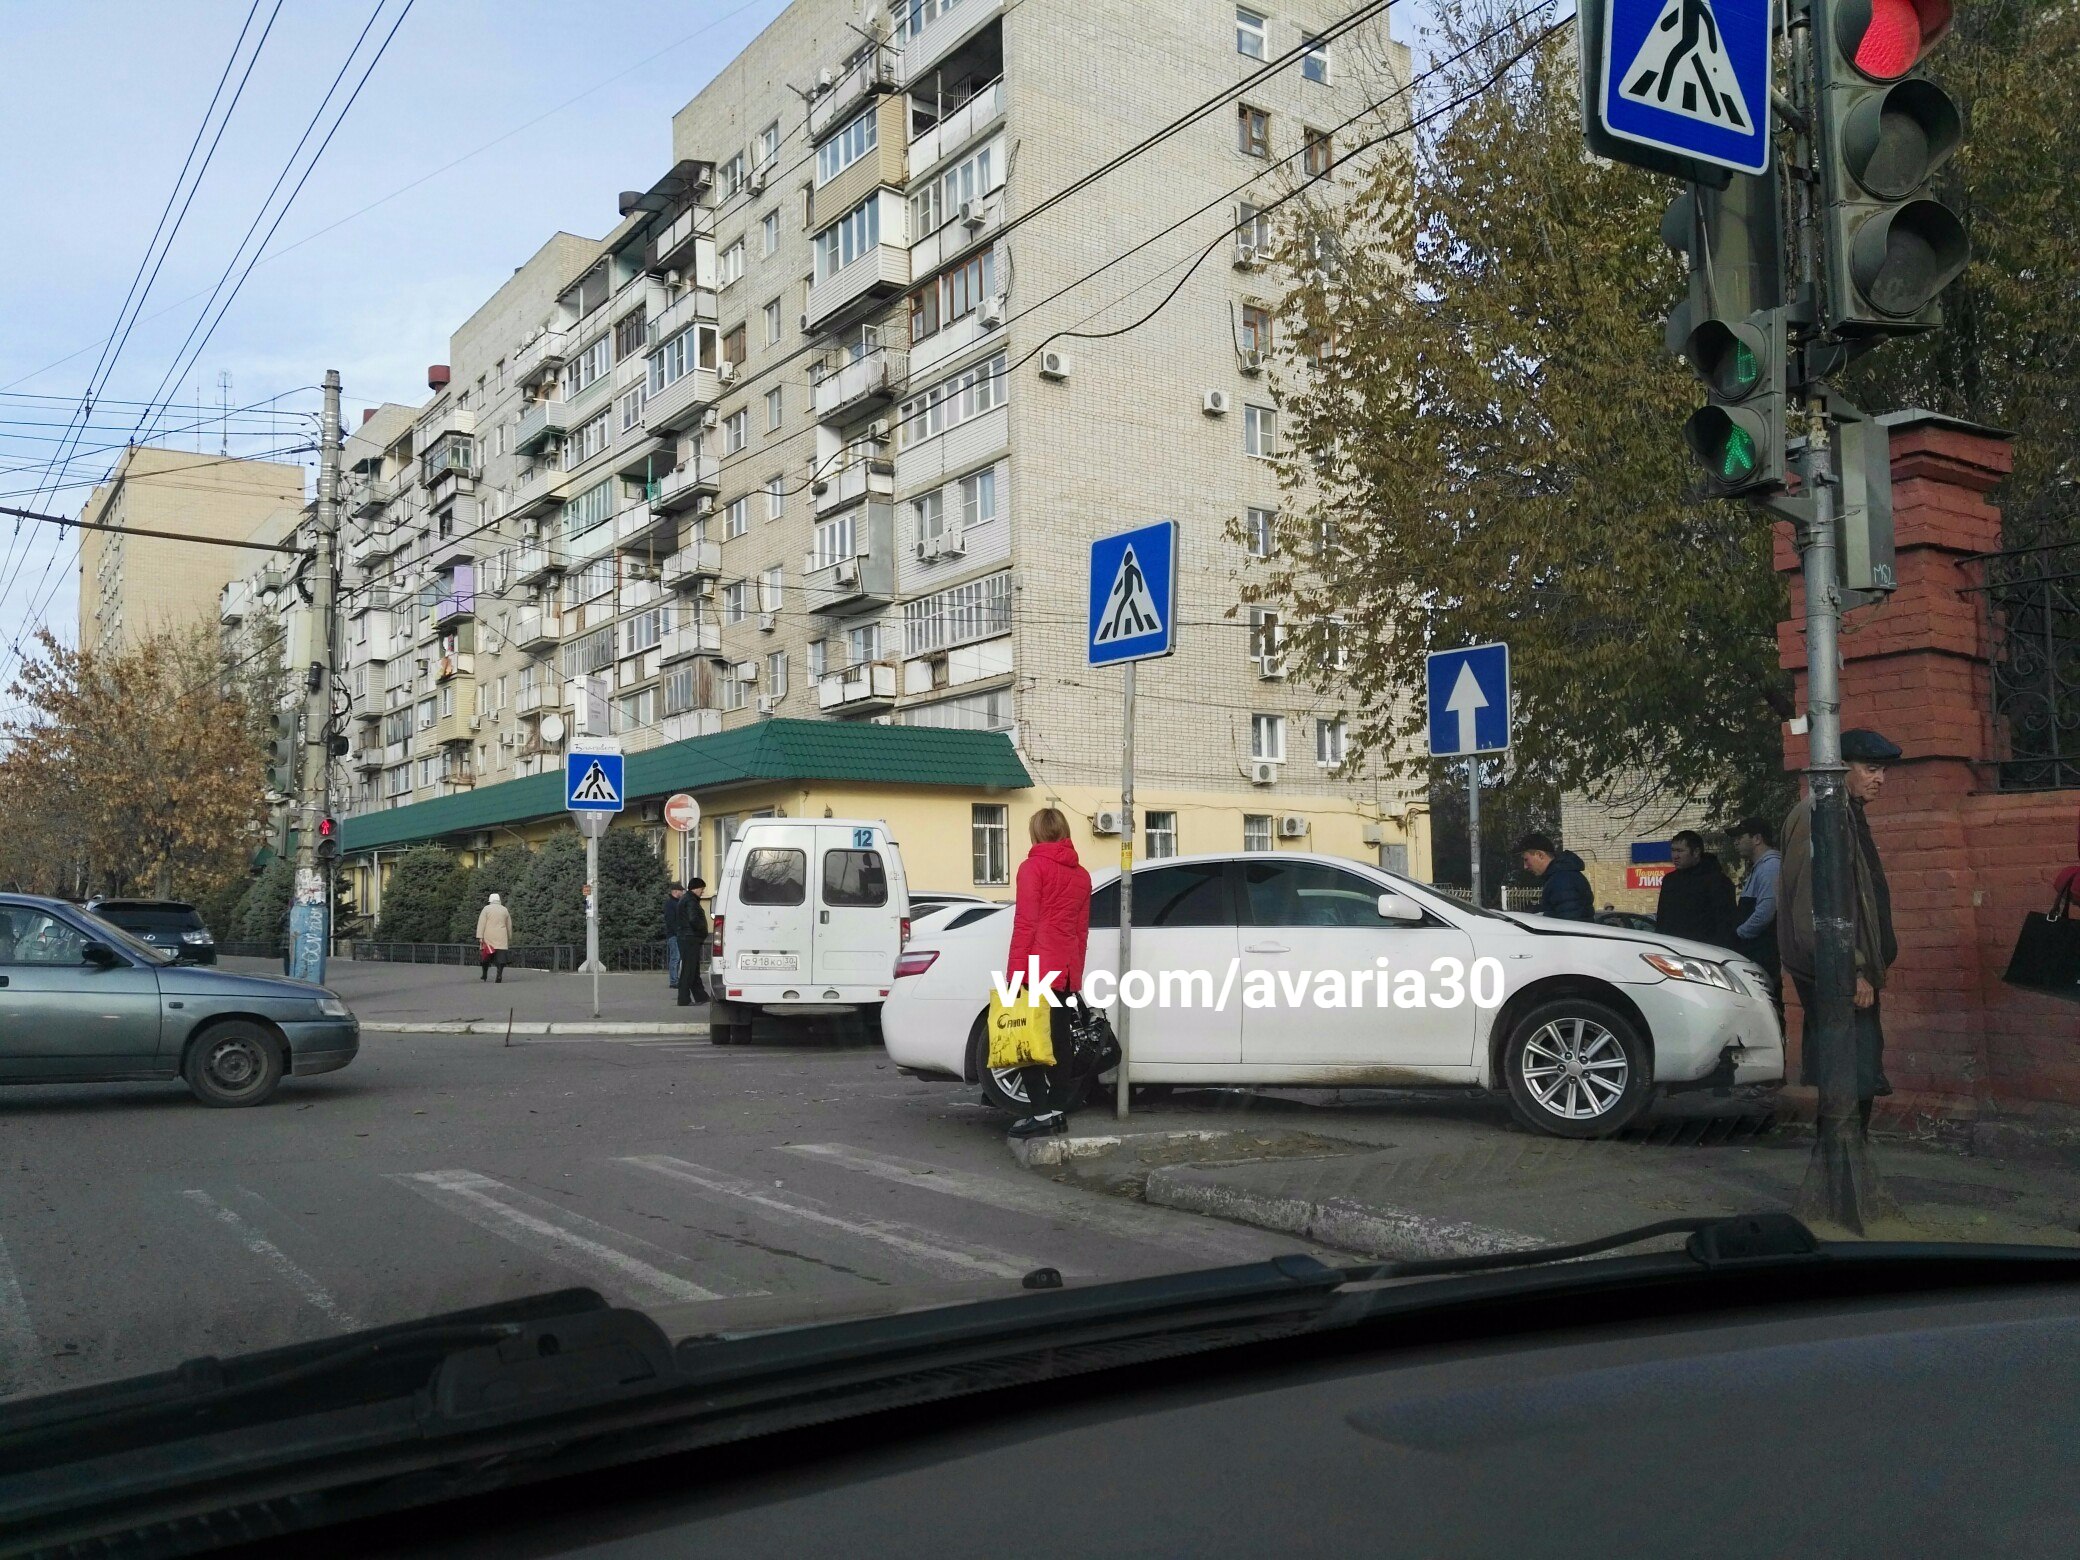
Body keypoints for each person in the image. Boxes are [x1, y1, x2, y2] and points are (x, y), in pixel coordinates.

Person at [1779, 728, 1901, 1133]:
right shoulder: (1822, 814)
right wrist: (1855, 969)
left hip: (1848, 973)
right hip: (1840, 975)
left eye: (1882, 770)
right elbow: (1816, 905)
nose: (1880, 779)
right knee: (1849, 1077)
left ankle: (1847, 1170)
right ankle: (1844, 1177)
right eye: (1871, 769)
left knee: (1854, 1076)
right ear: (1841, 767)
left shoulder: (1844, 811)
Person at [1003, 807, 1093, 1140]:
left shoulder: (1032, 868)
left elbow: (1025, 923)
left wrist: (1014, 974)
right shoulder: (1082, 875)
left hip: (1035, 968)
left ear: (1036, 833)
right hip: (1064, 971)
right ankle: (1056, 1112)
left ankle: (1040, 1113)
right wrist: (1076, 974)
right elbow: (1081, 932)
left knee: (1025, 1038)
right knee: (1059, 1041)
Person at [1729, 815, 1784, 1011]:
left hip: (1766, 953)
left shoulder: (1770, 867)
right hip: (1757, 950)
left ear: (1757, 838)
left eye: (1740, 836)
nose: (1736, 842)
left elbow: (1766, 911)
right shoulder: (1760, 868)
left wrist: (1740, 933)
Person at [1654, 829, 1739, 948]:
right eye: (1673, 850)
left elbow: (1725, 921)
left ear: (1696, 852)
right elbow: (1662, 918)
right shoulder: (1670, 880)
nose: (1675, 856)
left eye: (1680, 851)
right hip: (1672, 949)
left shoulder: (1717, 881)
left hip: (1706, 950)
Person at [1513, 833, 1593, 921]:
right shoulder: (1560, 876)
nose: (1525, 866)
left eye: (1526, 860)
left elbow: (1570, 924)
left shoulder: (1563, 880)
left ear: (1540, 855)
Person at [675, 876, 710, 1006]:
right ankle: (683, 999)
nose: (703, 892)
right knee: (688, 970)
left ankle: (701, 996)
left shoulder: (688, 899)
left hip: (687, 937)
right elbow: (694, 919)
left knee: (693, 969)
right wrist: (701, 930)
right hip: (690, 938)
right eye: (702, 889)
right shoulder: (691, 901)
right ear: (696, 888)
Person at [475, 892, 511, 983]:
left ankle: (484, 974)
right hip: (501, 937)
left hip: (488, 937)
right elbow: (509, 924)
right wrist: (509, 935)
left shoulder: (486, 909)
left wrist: (480, 936)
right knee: (501, 958)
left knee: (486, 957)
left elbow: (481, 923)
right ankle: (499, 975)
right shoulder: (504, 910)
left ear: (490, 900)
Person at [664, 882, 686, 991]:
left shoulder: (677, 903)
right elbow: (670, 920)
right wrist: (677, 932)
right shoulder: (670, 904)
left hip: (678, 934)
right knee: (675, 957)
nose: (682, 892)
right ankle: (673, 981)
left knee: (678, 957)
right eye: (681, 891)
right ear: (675, 891)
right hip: (673, 935)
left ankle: (675, 979)